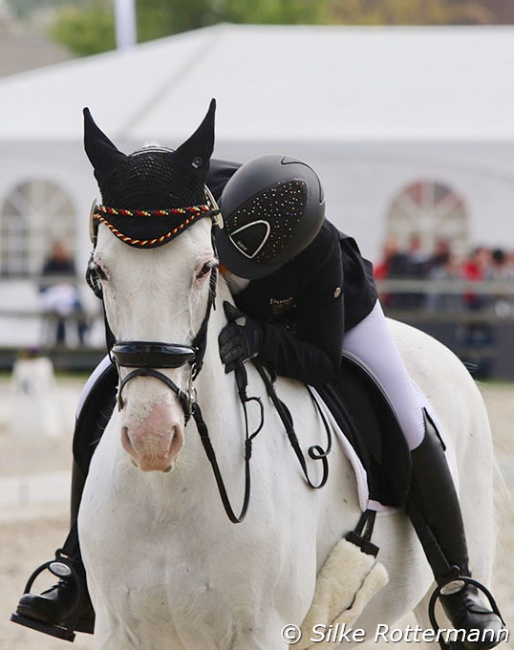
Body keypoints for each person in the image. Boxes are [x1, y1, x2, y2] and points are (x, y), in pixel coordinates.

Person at [13, 126, 503, 648]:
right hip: (202, 291)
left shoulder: (318, 254)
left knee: (405, 411)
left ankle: (455, 580)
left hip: (321, 320)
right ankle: (72, 566)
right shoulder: (195, 195)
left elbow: (320, 359)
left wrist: (259, 339)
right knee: (99, 387)